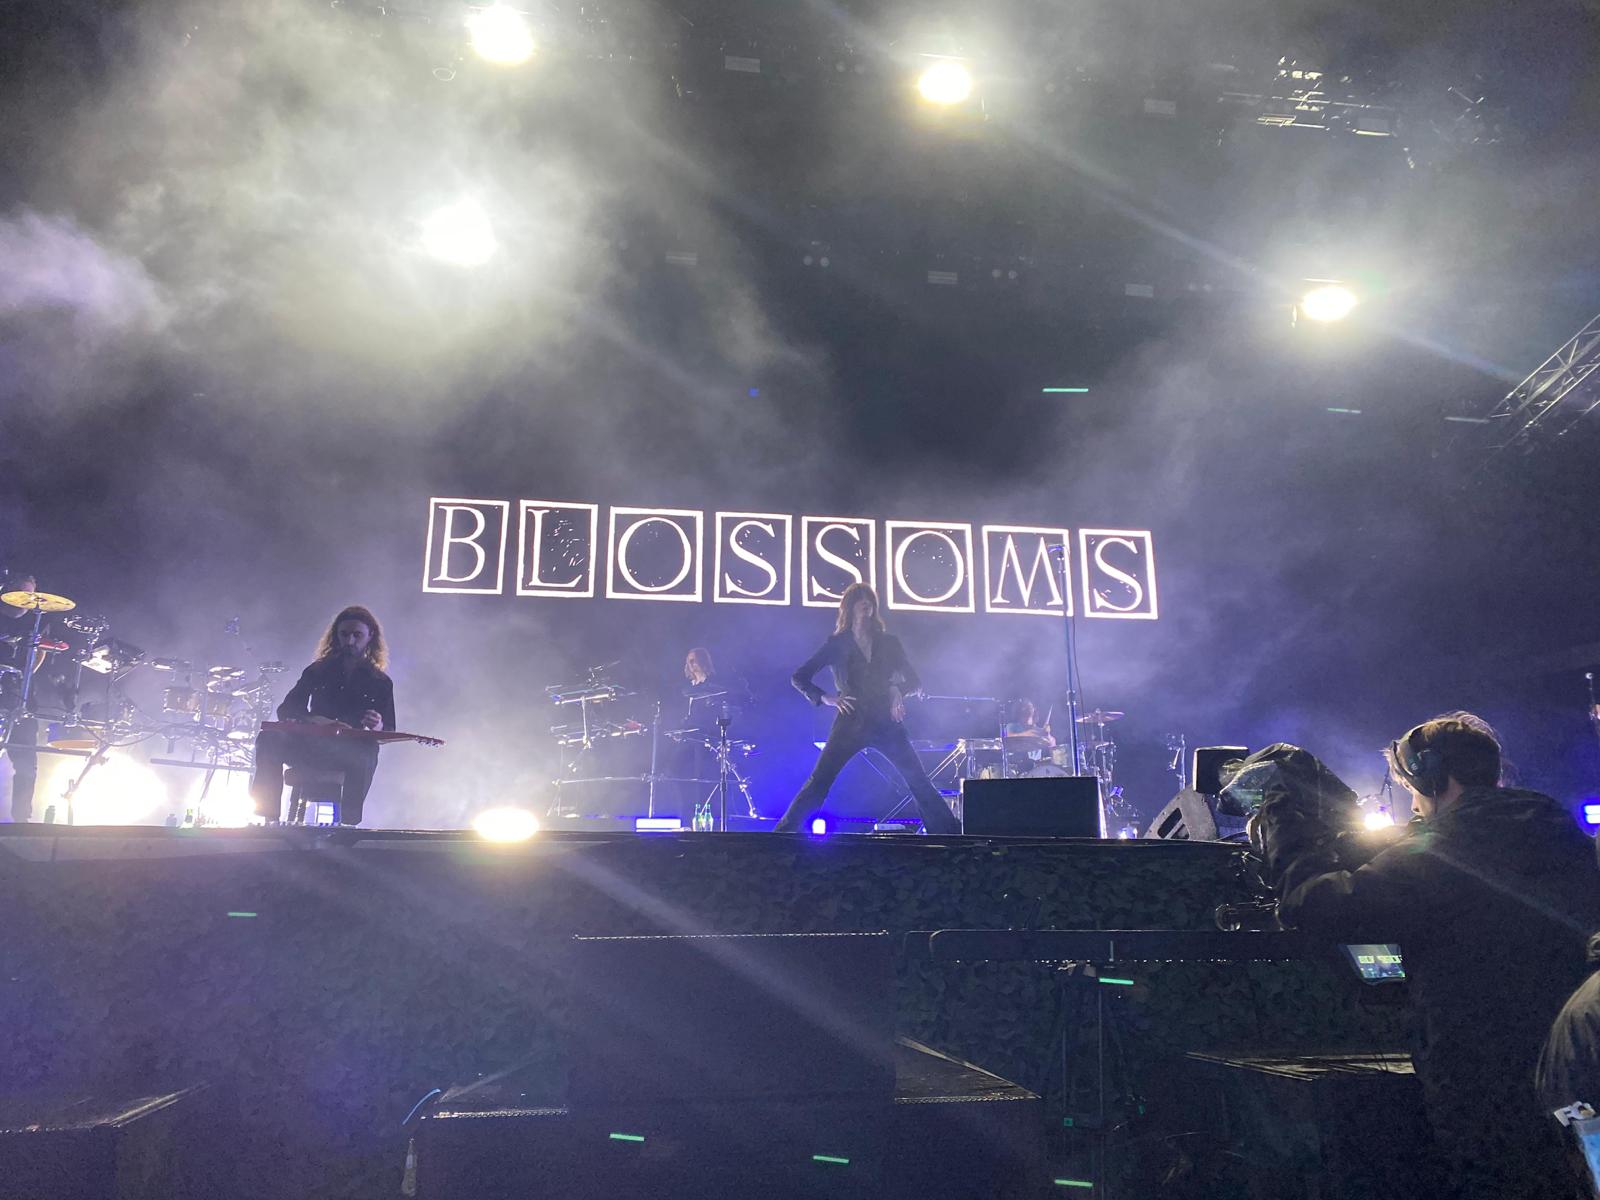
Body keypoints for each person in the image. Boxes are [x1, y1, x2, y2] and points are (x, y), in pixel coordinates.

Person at [1251, 712, 1600, 1200]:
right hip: (1573, 1065)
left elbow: (1319, 907)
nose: (1413, 805)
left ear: (1436, 777)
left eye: (1412, 788)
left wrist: (1287, 832)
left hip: (1481, 1075)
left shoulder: (1446, 848)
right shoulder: (1563, 837)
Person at [775, 582, 960, 835]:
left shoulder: (888, 643)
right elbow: (799, 677)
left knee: (917, 779)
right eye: (860, 599)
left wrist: (896, 689)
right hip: (850, 720)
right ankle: (783, 836)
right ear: (849, 607)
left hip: (885, 721)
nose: (866, 603)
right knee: (820, 780)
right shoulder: (837, 644)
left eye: (869, 599)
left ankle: (950, 835)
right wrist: (827, 698)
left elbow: (914, 680)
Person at [249, 606, 396, 826]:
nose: (350, 641)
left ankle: (348, 824)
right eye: (344, 634)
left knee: (368, 751)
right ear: (336, 636)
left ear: (370, 637)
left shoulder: (380, 682)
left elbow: (389, 731)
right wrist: (315, 721)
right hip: (308, 746)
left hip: (347, 751)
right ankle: (269, 816)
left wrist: (378, 726)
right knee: (268, 738)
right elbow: (287, 708)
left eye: (357, 635)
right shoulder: (317, 670)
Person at [1, 572, 42, 823]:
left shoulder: (36, 620)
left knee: (27, 762)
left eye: (30, 594)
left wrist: (24, 676)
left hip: (21, 700)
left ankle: (21, 820)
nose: (25, 600)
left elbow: (40, 654)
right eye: (21, 593)